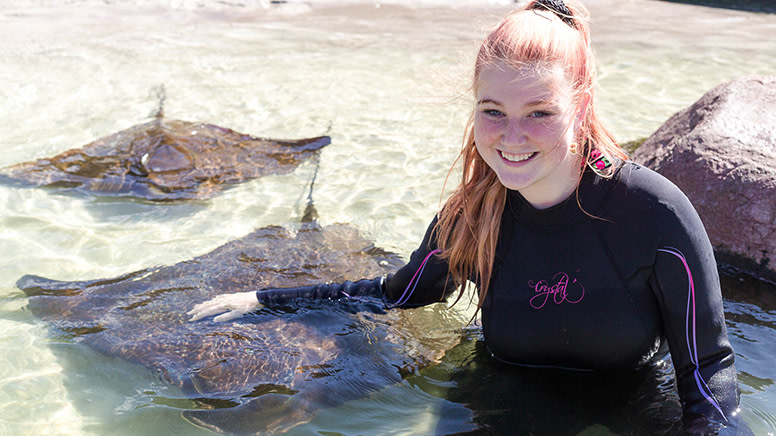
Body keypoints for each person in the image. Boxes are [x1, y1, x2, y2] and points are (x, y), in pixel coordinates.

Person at [188, 0, 741, 433]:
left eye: (540, 113)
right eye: (493, 111)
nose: (513, 137)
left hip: (634, 400)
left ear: (583, 104)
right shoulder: (471, 216)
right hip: (503, 398)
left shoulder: (655, 215)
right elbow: (392, 294)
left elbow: (707, 373)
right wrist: (265, 301)